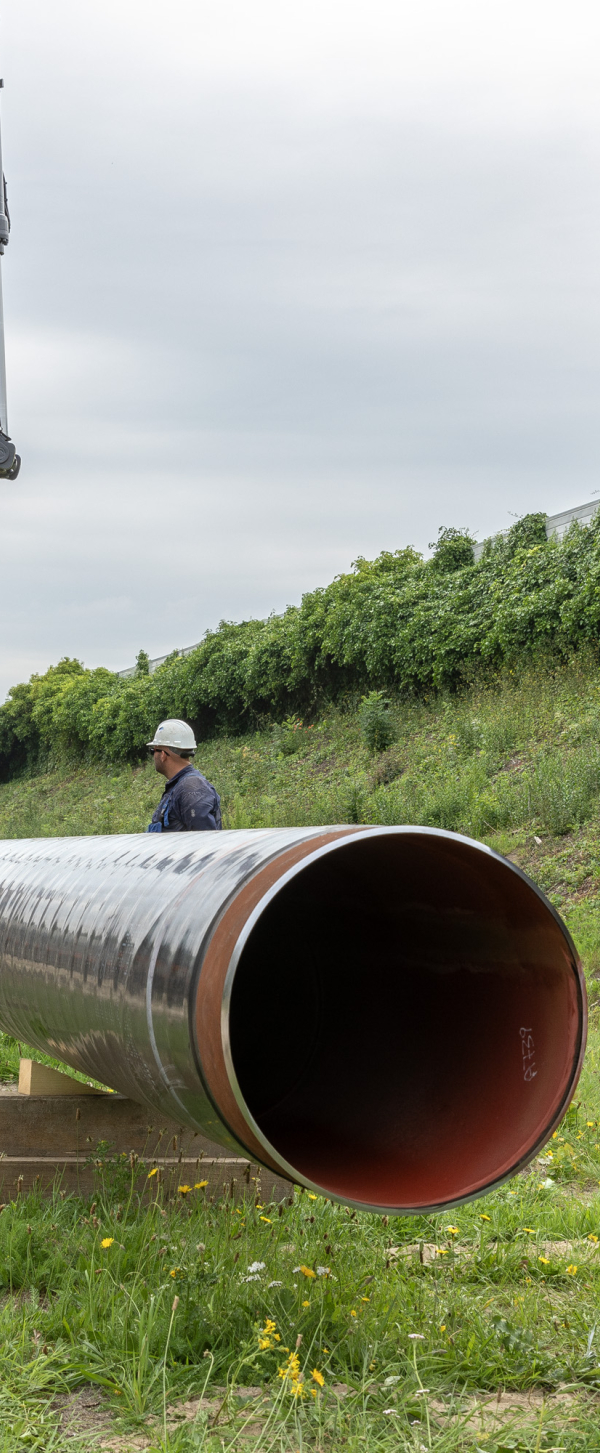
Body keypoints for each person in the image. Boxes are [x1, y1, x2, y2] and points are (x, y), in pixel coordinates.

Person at [146, 719, 222, 832]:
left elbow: (205, 842)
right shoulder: (181, 786)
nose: (153, 756)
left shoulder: (191, 788)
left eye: (154, 750)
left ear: (163, 755)